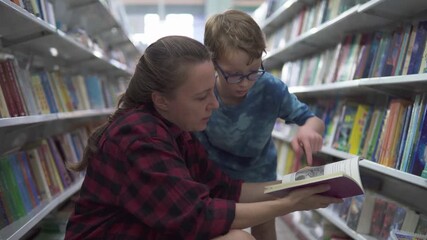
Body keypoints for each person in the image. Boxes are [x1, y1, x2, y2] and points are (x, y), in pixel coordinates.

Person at [64, 35, 341, 240]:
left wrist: (291, 185)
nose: (215, 104)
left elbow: (223, 188)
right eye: (201, 97)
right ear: (161, 100)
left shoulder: (175, 129)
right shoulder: (139, 137)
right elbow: (197, 216)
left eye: (212, 91)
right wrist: (289, 204)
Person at [195, 9, 326, 239]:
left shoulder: (270, 88)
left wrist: (309, 129)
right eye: (234, 75)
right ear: (213, 62)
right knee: (220, 228)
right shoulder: (204, 91)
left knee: (265, 226)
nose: (245, 83)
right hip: (213, 175)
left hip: (259, 172)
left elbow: (312, 120)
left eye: (253, 72)